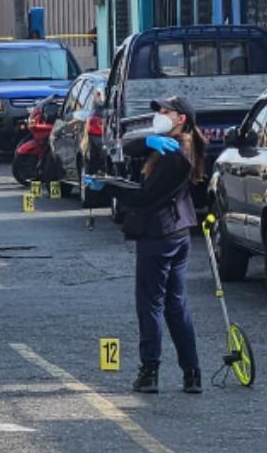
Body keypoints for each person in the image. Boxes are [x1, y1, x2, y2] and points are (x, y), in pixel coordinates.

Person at [86, 96, 207, 394]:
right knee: (175, 305)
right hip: (176, 233)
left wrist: (108, 186)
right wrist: (150, 141)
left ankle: (149, 372)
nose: (161, 115)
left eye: (167, 111)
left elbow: (145, 197)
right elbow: (126, 147)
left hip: (160, 235)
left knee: (152, 304)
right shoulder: (174, 143)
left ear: (182, 119)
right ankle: (191, 374)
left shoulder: (177, 154)